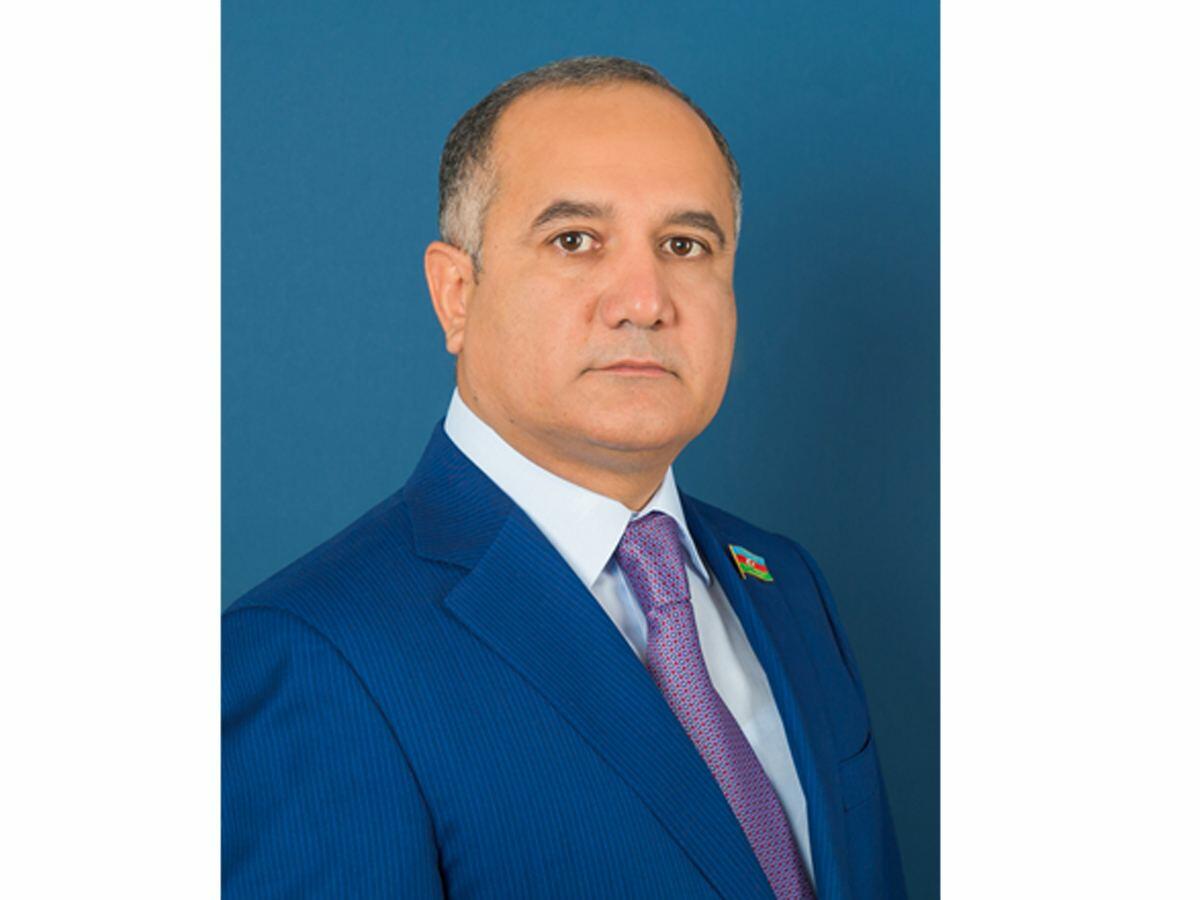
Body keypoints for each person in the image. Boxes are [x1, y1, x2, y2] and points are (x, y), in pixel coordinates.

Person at [222, 55, 906, 899]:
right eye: (574, 240)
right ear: (456, 293)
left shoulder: (784, 583)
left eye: (685, 245)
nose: (645, 301)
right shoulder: (312, 653)